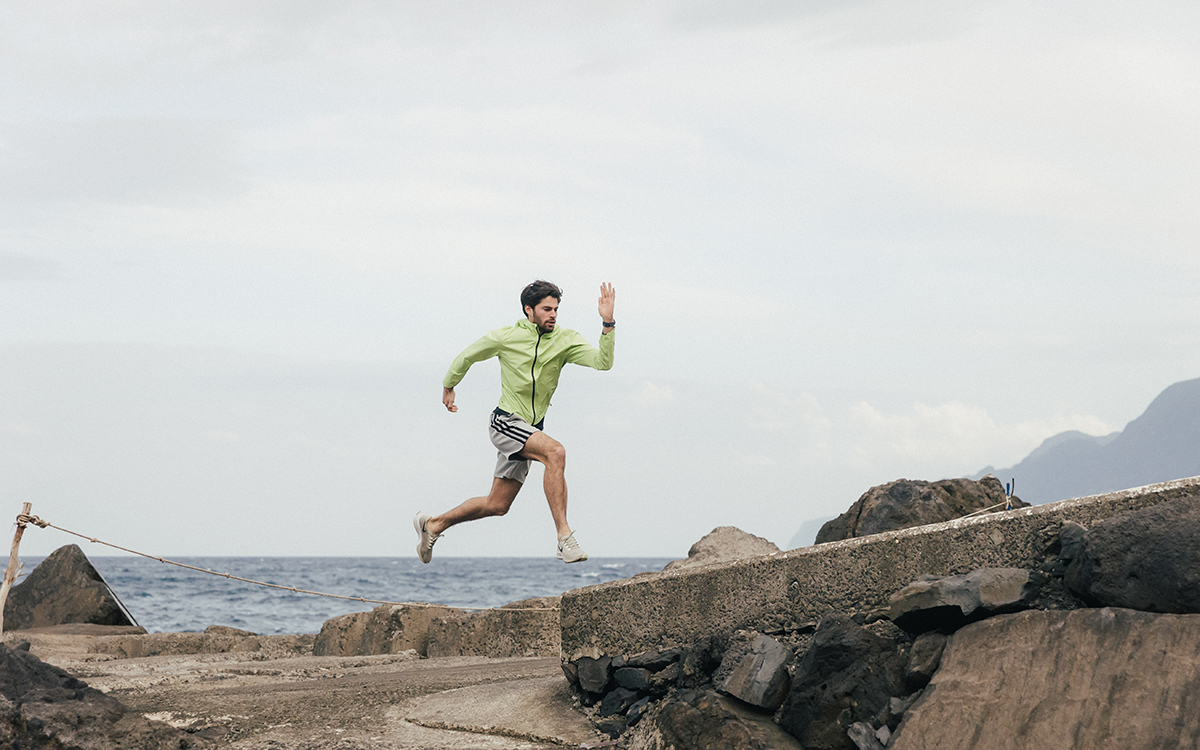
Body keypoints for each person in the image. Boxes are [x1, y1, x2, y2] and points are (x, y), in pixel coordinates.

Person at [414, 280, 616, 564]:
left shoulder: (565, 341)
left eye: (556, 309)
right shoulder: (506, 337)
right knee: (555, 452)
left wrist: (608, 323)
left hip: (531, 430)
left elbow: (602, 362)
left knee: (497, 505)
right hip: (505, 421)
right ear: (528, 309)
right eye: (546, 309)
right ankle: (564, 537)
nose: (553, 315)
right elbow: (468, 355)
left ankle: (433, 524)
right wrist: (449, 384)